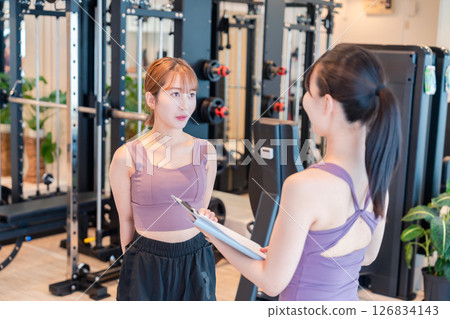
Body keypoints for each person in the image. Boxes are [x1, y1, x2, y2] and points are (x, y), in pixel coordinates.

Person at [198, 44, 401, 301]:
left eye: (308, 91)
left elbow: (271, 283)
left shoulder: (304, 186)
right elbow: (365, 255)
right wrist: (296, 252)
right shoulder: (377, 180)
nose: (304, 100)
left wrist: (214, 234)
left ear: (327, 104)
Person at [109, 57, 218, 301]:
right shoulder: (126, 156)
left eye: (190, 94)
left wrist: (208, 220)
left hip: (196, 257)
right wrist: (132, 268)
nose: (185, 105)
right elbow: (126, 221)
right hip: (146, 261)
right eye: (175, 94)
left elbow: (201, 211)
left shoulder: (206, 151)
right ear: (151, 99)